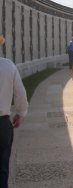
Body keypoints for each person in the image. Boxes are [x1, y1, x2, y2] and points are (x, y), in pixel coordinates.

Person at [0, 35, 29, 188]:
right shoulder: (8, 66)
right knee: (2, 169)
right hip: (2, 124)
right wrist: (20, 113)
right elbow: (20, 94)